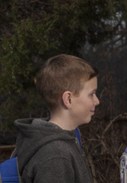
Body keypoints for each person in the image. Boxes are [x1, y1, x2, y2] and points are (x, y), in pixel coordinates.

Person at [14, 54, 98, 182]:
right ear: (68, 99)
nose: (97, 101)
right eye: (91, 94)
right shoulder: (55, 156)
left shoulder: (65, 139)